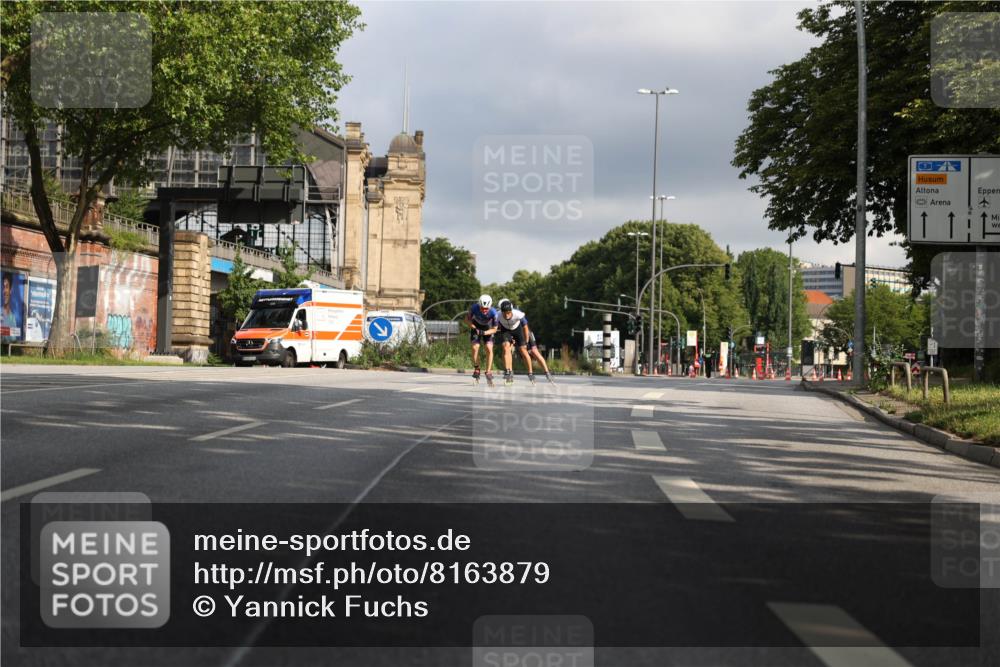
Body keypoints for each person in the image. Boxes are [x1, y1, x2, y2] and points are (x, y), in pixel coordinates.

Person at [495, 298, 534, 385]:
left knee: (523, 350)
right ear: (501, 311)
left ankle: (530, 373)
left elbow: (525, 328)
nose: (507, 315)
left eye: (508, 312)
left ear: (511, 311)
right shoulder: (498, 315)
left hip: (517, 330)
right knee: (505, 347)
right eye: (504, 313)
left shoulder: (518, 314)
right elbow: (494, 326)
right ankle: (508, 371)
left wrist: (526, 342)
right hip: (506, 331)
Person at [466, 294, 498, 386]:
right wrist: (473, 327)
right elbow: (467, 320)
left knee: (489, 347)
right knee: (475, 347)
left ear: (490, 306)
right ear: (479, 305)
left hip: (488, 328)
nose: (484, 310)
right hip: (476, 327)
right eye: (482, 308)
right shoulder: (473, 308)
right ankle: (477, 368)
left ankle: (488, 371)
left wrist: (484, 333)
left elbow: (495, 329)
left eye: (486, 309)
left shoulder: (493, 312)